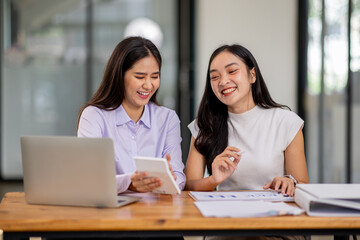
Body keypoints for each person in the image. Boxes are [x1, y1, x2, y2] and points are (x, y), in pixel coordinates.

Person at [185, 44, 309, 197]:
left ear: (252, 75)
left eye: (232, 71)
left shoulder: (286, 122)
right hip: (224, 216)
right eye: (215, 77)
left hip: (273, 214)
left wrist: (290, 182)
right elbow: (188, 185)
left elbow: (302, 184)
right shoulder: (204, 124)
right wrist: (213, 180)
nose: (223, 81)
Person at [77, 36, 185, 194]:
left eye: (155, 77)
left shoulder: (168, 119)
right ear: (119, 76)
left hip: (156, 212)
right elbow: (88, 178)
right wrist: (129, 183)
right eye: (140, 77)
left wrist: (169, 179)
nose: (148, 85)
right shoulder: (94, 116)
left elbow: (179, 177)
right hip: (110, 212)